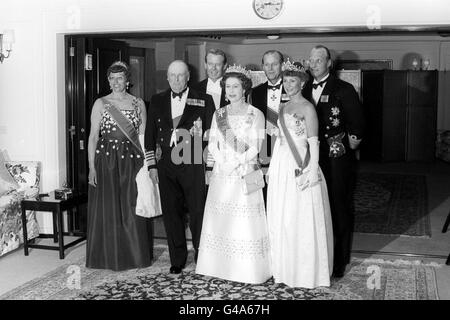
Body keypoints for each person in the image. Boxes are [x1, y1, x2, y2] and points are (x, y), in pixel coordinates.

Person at [196, 65, 271, 284]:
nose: (231, 91)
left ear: (245, 88)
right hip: (222, 172)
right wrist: (222, 163)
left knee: (243, 221)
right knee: (221, 220)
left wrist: (235, 163)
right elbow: (212, 143)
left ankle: (246, 270)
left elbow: (256, 147)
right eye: (227, 86)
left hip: (244, 171)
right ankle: (217, 266)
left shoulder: (255, 114)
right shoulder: (218, 114)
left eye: (235, 86)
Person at [266, 60, 333, 288]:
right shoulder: (283, 107)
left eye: (292, 80)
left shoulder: (308, 108)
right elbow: (279, 141)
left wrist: (312, 171)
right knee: (283, 216)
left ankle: (304, 273)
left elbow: (314, 144)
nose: (288, 84)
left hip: (302, 165)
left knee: (300, 218)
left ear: (302, 82)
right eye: (285, 80)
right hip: (282, 166)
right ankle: (283, 270)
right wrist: (272, 168)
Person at [145, 60, 215, 274]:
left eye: (180, 76)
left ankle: (202, 255)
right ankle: (177, 259)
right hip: (166, 164)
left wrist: (209, 166)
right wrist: (152, 166)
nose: (176, 80)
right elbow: (150, 135)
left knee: (197, 211)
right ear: (167, 78)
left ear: (188, 77)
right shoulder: (157, 100)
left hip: (193, 161)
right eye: (172, 76)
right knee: (171, 212)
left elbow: (212, 135)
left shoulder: (204, 99)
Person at [302, 45, 365, 278]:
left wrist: (350, 146)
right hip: (311, 157)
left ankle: (339, 260)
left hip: (336, 158)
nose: (314, 63)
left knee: (338, 205)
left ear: (329, 63)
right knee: (314, 205)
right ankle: (318, 254)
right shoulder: (304, 88)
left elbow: (357, 122)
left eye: (319, 59)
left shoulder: (344, 88)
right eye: (311, 60)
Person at [86, 61, 153, 271]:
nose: (116, 82)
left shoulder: (138, 103)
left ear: (127, 80)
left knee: (133, 205)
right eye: (112, 78)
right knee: (109, 206)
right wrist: (91, 167)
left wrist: (148, 164)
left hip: (133, 159)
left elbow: (143, 136)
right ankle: (107, 256)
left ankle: (135, 254)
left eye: (120, 78)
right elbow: (93, 137)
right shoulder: (101, 103)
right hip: (106, 159)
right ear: (108, 80)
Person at [250, 50, 290, 202]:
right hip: (262, 149)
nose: (271, 68)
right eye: (267, 64)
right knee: (263, 194)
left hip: (286, 148)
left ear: (282, 65)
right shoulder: (255, 92)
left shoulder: (292, 88)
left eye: (274, 64)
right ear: (263, 67)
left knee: (284, 194)